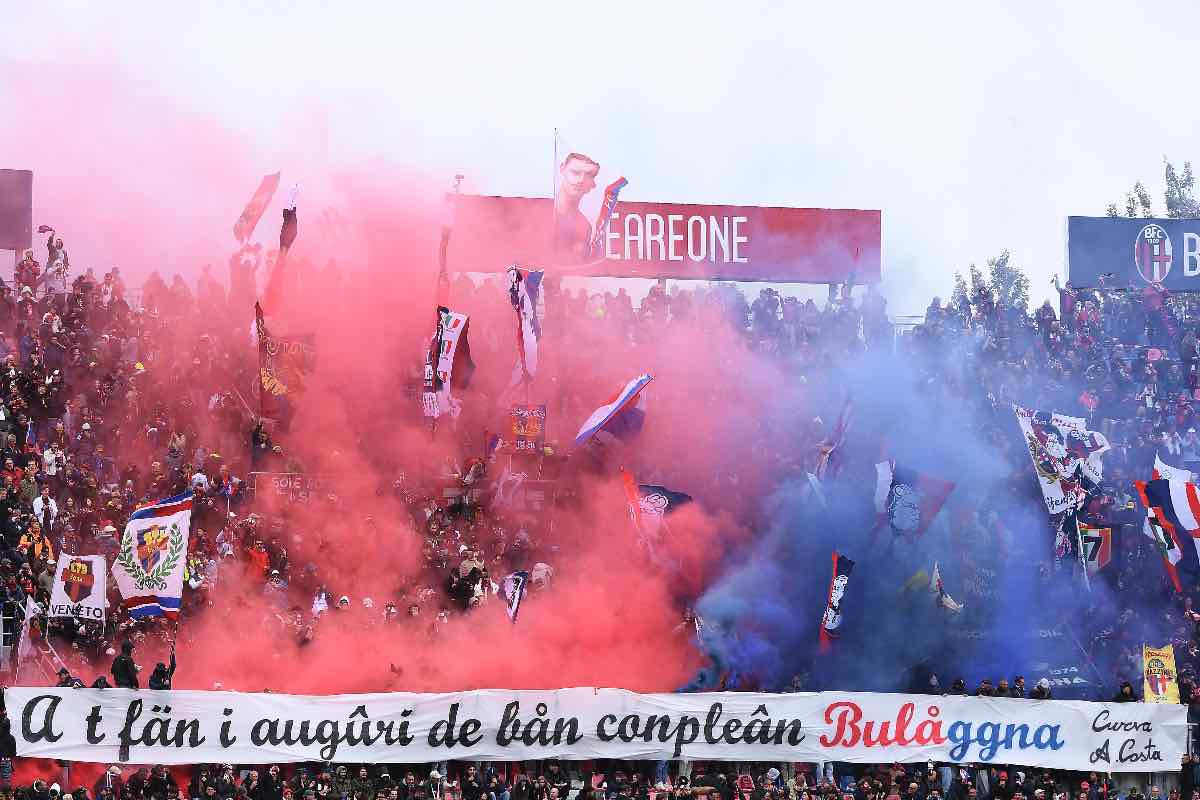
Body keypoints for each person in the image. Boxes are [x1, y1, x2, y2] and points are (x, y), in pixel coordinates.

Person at [553, 153, 600, 263]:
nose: (581, 180)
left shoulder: (584, 227)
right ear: (562, 169)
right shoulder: (539, 212)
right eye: (575, 172)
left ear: (593, 184)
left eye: (589, 175)